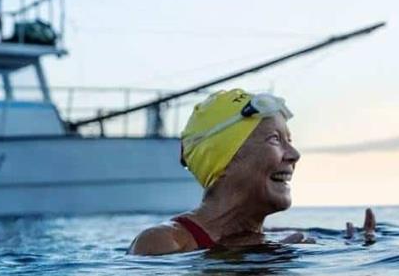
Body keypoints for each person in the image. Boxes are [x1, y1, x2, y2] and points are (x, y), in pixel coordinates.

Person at [129, 89, 376, 255]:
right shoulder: (162, 242)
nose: (294, 154)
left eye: (289, 140)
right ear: (224, 161)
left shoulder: (275, 236)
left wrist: (356, 246)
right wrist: (265, 259)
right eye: (275, 139)